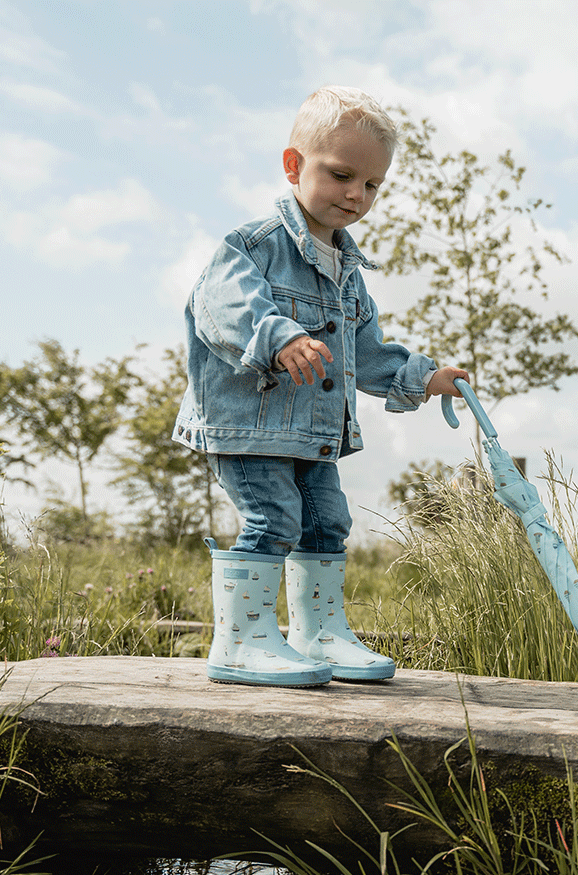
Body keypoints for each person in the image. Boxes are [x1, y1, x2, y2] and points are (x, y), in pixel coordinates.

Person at [173, 86, 468, 688]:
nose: (356, 195)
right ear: (293, 166)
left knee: (327, 519)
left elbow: (364, 353)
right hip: (250, 426)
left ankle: (319, 632)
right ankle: (242, 641)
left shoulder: (349, 277)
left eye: (371, 185)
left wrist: (424, 377)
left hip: (314, 433)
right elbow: (223, 308)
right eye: (341, 175)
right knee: (273, 517)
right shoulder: (253, 247)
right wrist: (278, 335)